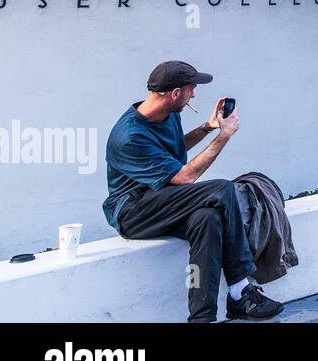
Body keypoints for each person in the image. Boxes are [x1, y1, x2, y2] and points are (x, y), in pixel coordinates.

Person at [103, 61, 284, 322]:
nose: (194, 94)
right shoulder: (130, 135)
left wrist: (208, 127)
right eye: (191, 89)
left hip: (164, 200)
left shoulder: (168, 114)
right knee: (221, 189)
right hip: (133, 211)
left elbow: (174, 150)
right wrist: (224, 136)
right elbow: (185, 176)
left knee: (207, 219)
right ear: (176, 93)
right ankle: (240, 290)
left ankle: (202, 318)